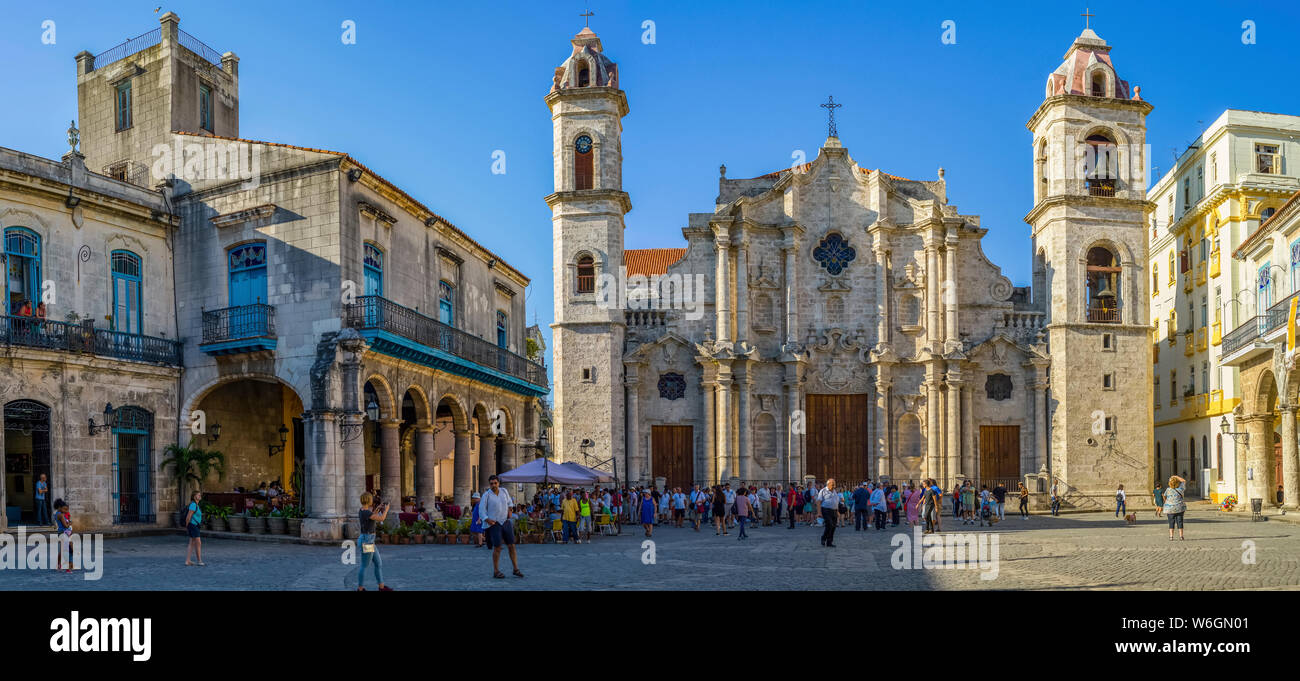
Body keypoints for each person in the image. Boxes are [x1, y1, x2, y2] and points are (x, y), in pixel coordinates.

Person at [480, 475, 523, 579]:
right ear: (489, 484)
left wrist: (510, 510)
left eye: (495, 483)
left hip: (506, 521)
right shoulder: (486, 495)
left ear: (498, 483)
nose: (494, 485)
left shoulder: (504, 491)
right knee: (497, 547)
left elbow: (510, 503)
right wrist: (487, 520)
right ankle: (496, 571)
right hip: (495, 523)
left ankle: (515, 569)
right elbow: (481, 510)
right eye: (491, 483)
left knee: (512, 545)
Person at [356, 492, 393, 590]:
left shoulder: (362, 510)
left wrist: (378, 508)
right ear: (368, 500)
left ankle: (381, 586)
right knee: (364, 565)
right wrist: (386, 510)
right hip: (367, 541)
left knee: (378, 563)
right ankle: (360, 588)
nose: (372, 500)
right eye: (371, 499)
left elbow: (372, 516)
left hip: (369, 540)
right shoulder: (366, 512)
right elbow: (381, 518)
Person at [817, 478, 840, 547]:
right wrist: (819, 512)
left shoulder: (834, 491)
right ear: (828, 484)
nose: (834, 486)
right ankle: (823, 538)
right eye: (833, 484)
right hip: (826, 510)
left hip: (834, 511)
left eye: (834, 484)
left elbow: (836, 502)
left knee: (833, 527)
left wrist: (837, 511)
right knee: (830, 525)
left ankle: (829, 542)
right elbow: (818, 502)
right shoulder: (823, 491)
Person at [184, 491, 205, 566]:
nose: (200, 496)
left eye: (200, 495)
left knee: (192, 543)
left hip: (195, 525)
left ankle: (188, 561)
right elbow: (188, 517)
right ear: (194, 496)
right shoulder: (193, 505)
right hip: (193, 525)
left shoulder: (196, 505)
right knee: (198, 543)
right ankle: (199, 561)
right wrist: (187, 526)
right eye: (198, 495)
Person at [1163, 475, 1187, 540]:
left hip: (1169, 509)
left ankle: (1171, 536)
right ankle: (1181, 536)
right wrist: (1176, 476)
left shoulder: (1168, 490)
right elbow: (1184, 481)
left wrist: (1166, 502)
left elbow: (1164, 496)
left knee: (1171, 522)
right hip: (1179, 508)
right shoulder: (1181, 489)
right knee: (1180, 521)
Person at [53, 499, 73, 573]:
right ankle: (69, 567)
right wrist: (70, 524)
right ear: (59, 507)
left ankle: (59, 566)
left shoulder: (57, 514)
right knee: (68, 549)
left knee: (62, 550)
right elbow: (65, 525)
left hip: (62, 533)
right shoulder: (60, 515)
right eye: (64, 509)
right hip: (63, 533)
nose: (66, 511)